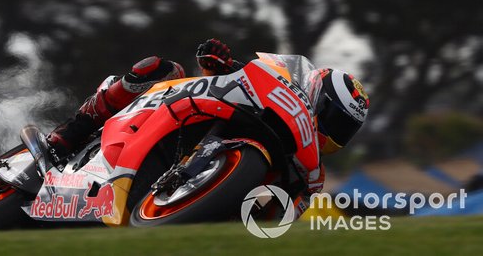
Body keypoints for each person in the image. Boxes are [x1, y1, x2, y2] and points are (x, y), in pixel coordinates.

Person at [46, 38, 369, 214]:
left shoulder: (314, 175)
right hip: (174, 116)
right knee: (162, 70)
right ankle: (72, 130)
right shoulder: (273, 90)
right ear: (315, 95)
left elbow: (284, 217)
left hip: (194, 214)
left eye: (345, 128)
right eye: (334, 118)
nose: (335, 131)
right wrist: (220, 65)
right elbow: (224, 82)